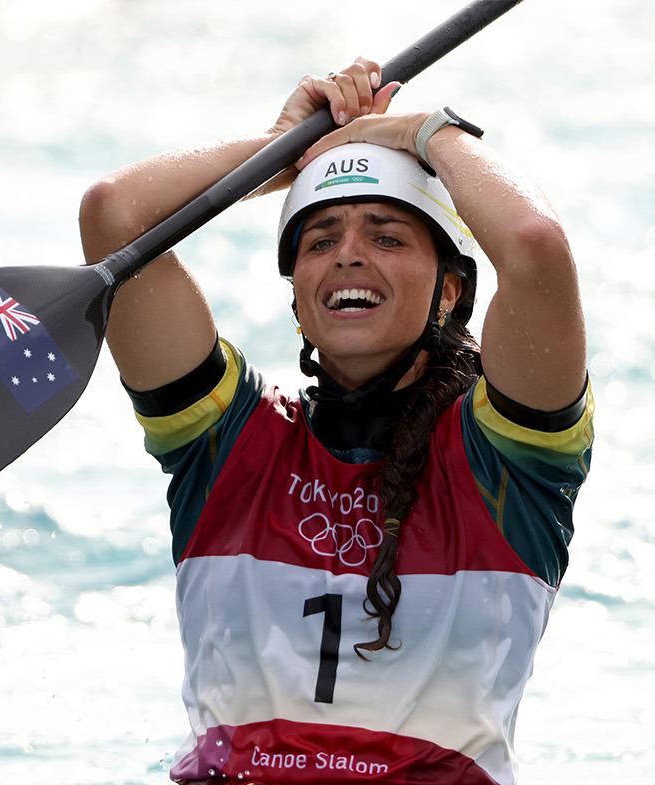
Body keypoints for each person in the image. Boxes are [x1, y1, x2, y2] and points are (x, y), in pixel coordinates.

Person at [79, 57, 593, 785]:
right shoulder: (224, 445)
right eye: (320, 241)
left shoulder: (508, 461)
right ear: (297, 298)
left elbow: (535, 247)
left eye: (386, 236)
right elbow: (113, 216)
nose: (348, 254)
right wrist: (279, 152)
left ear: (450, 291)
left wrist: (425, 132)